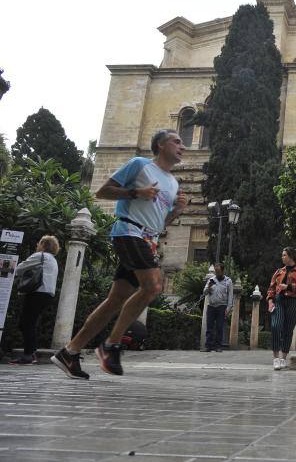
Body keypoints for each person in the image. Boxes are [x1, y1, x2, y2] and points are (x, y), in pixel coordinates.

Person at [51, 129, 187, 379]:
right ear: (160, 145)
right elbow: (103, 192)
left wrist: (177, 210)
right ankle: (111, 345)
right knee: (154, 286)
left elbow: (160, 222)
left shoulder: (173, 182)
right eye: (176, 141)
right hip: (128, 231)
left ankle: (69, 352)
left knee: (116, 299)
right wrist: (135, 192)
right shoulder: (139, 165)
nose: (183, 146)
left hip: (148, 239)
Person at [9, 236, 60, 365]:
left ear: (43, 244)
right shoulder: (53, 260)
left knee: (27, 323)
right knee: (28, 322)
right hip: (47, 294)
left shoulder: (40, 256)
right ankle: (31, 352)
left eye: (39, 242)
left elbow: (20, 268)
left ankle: (28, 355)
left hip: (37, 292)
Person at [266, 247, 296, 370]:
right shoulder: (278, 272)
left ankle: (283, 358)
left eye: (284, 255)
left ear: (290, 257)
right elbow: (271, 289)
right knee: (275, 326)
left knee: (288, 330)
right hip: (279, 301)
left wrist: (288, 287)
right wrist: (270, 301)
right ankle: (275, 358)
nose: (282, 257)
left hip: (295, 301)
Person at [202, 263, 233, 352]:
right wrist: (209, 287)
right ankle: (208, 346)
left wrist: (228, 308)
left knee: (219, 327)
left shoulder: (228, 281)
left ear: (222, 271)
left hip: (221, 306)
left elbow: (230, 296)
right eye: (216, 271)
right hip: (211, 306)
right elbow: (204, 293)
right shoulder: (211, 280)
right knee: (209, 327)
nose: (217, 273)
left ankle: (218, 346)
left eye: (219, 271)